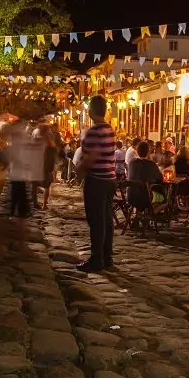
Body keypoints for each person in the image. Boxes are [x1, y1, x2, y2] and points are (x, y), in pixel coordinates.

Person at [77, 96, 117, 272]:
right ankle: (107, 256)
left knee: (96, 220)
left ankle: (96, 258)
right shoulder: (109, 129)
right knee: (106, 219)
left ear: (91, 111)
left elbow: (90, 157)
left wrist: (79, 169)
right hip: (110, 179)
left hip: (97, 180)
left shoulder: (94, 132)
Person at [128, 140, 166, 209]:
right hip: (146, 198)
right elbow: (161, 178)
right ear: (148, 152)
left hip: (130, 197)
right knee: (164, 197)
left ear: (137, 151)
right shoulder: (151, 164)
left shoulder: (131, 163)